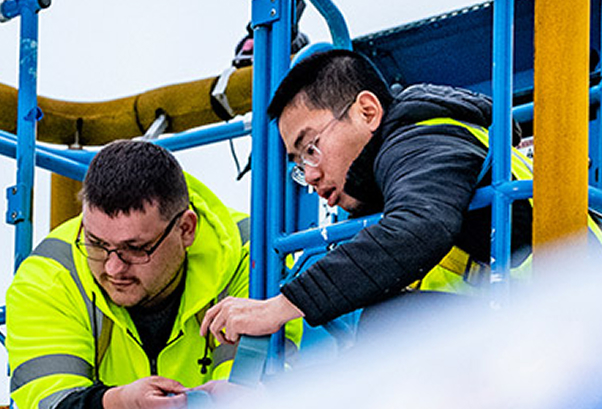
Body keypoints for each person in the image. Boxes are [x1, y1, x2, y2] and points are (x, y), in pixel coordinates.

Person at [200, 48, 538, 345]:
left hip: (562, 311)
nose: (311, 174)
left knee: (388, 324)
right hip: (546, 314)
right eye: (300, 164)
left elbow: (419, 228)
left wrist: (280, 307)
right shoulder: (407, 165)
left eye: (311, 148)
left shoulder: (422, 138)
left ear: (367, 111)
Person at [5, 139, 296, 409]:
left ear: (186, 229)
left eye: (135, 248)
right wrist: (125, 406)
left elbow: (242, 399)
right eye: (96, 243)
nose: (114, 267)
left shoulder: (252, 255)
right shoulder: (48, 276)